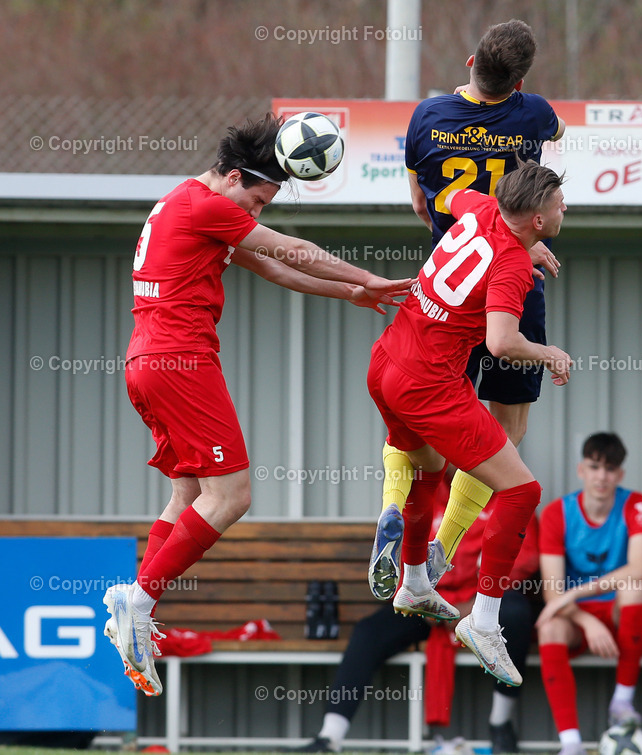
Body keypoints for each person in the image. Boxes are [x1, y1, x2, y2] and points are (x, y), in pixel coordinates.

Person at [101, 113, 412, 698]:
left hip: (145, 362)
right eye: (258, 199)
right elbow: (292, 248)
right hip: (182, 360)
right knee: (234, 495)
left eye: (266, 205)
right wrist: (370, 275)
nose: (256, 214)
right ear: (232, 175)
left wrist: (350, 291)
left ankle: (138, 595)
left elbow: (271, 265)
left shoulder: (186, 205)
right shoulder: (208, 205)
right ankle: (138, 603)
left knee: (189, 494)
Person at [371, 19, 566, 604]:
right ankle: (446, 547)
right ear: (522, 80)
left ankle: (391, 511)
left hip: (445, 285)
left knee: (414, 426)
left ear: (469, 62)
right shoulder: (534, 113)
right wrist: (524, 240)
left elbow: (420, 202)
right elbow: (545, 162)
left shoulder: (426, 118)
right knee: (507, 431)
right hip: (511, 282)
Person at [365, 162, 572, 686]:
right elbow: (502, 342)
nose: (565, 208)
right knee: (523, 490)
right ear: (539, 221)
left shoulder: (480, 206)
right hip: (430, 384)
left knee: (427, 469)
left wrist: (521, 244)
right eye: (558, 204)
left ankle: (413, 579)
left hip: (387, 361)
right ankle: (484, 621)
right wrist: (550, 353)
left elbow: (446, 198)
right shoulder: (512, 266)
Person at [298, 483, 539, 753]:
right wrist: (424, 600)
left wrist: (475, 604)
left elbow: (524, 561)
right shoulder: (424, 489)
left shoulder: (509, 489)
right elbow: (401, 553)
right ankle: (330, 736)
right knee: (369, 631)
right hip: (426, 602)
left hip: (483, 602)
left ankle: (500, 723)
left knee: (516, 614)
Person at [535, 433, 642, 755]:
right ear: (581, 470)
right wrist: (586, 620)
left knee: (635, 590)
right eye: (595, 466)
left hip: (617, 611)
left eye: (610, 468)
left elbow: (639, 569)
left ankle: (622, 702)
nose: (602, 476)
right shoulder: (557, 512)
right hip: (576, 620)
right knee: (549, 628)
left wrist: (573, 595)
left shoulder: (636, 503)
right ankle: (570, 743)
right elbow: (552, 591)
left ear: (621, 474)